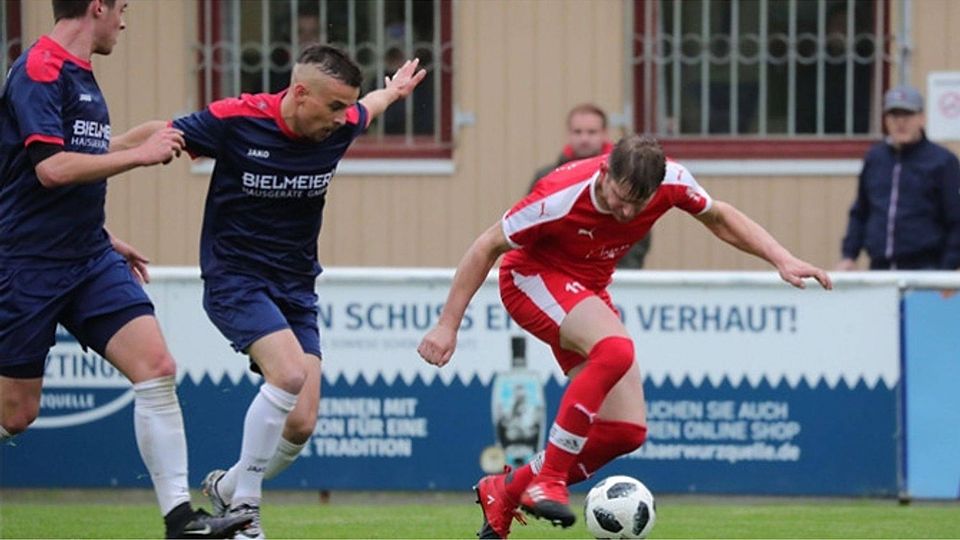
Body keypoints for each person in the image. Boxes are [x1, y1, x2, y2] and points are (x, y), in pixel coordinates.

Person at [418, 135, 832, 538]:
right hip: (531, 279)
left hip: (588, 288)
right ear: (604, 172)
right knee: (615, 349)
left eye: (639, 203)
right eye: (620, 196)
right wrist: (447, 324)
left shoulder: (673, 182)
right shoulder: (559, 195)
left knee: (625, 431)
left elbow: (720, 217)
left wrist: (782, 258)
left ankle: (505, 492)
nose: (627, 210)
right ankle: (550, 480)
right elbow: (485, 247)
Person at [0, 1, 251, 538]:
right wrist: (139, 156)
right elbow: (49, 169)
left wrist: (128, 148)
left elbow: (70, 159)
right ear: (97, 6)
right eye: (122, 9)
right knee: (15, 415)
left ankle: (181, 520)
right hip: (27, 266)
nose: (124, 21)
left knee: (156, 366)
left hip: (89, 258)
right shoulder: (40, 68)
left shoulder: (83, 75)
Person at [161, 44, 425, 539]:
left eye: (347, 107)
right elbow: (164, 137)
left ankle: (226, 489)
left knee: (301, 422)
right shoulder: (237, 119)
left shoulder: (341, 124)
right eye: (333, 106)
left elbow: (370, 107)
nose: (343, 117)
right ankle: (246, 515)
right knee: (288, 373)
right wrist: (105, 157)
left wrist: (391, 92)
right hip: (235, 278)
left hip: (296, 287)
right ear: (299, 93)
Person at [838, 85, 960, 270]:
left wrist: (948, 268)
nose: (900, 122)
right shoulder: (875, 158)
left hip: (926, 269)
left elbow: (956, 219)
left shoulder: (942, 162)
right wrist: (849, 255)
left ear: (921, 118)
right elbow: (861, 211)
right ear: (886, 120)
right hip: (880, 268)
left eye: (907, 115)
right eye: (894, 116)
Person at [532, 104, 651, 269]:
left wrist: (626, 271)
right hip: (557, 273)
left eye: (591, 132)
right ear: (568, 134)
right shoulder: (547, 177)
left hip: (613, 273)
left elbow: (639, 227)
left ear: (604, 133)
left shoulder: (625, 177)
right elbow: (531, 226)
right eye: (578, 132)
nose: (584, 139)